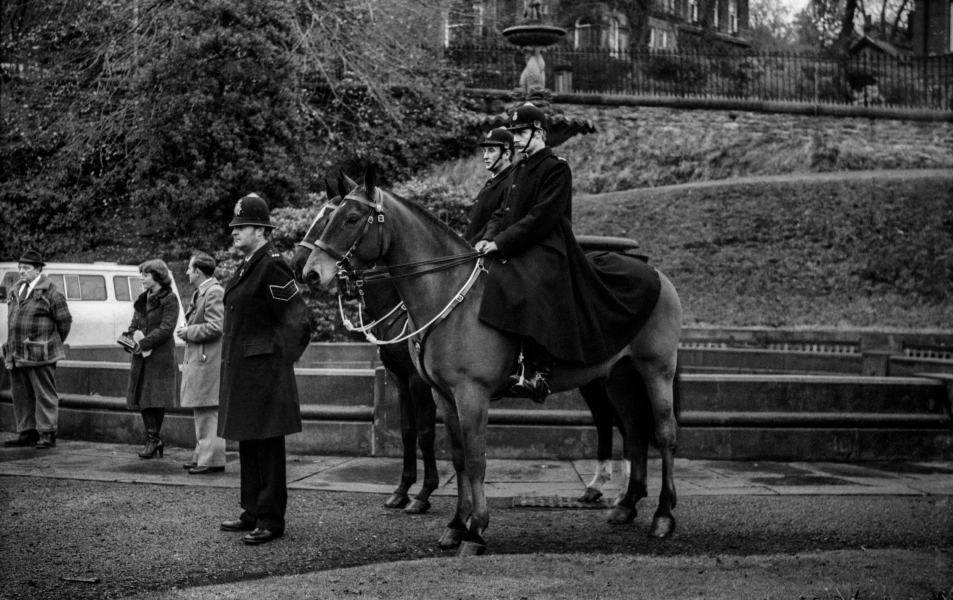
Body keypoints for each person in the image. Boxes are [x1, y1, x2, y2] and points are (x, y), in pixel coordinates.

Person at [476, 103, 660, 402]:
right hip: (518, 244)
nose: (517, 139)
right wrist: (486, 240)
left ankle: (539, 371)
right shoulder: (519, 169)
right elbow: (501, 212)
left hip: (548, 247)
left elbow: (542, 217)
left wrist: (502, 242)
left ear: (539, 132)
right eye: (515, 133)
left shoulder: (556, 167)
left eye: (521, 133)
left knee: (530, 284)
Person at [217, 193, 312, 546]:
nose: (234, 233)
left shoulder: (272, 265)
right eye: (234, 227)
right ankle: (252, 511)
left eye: (241, 227)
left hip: (266, 376)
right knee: (249, 443)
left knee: (268, 448)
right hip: (246, 375)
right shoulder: (248, 265)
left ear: (260, 230)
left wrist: (278, 362)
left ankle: (271, 519)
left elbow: (299, 321)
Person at [3, 250, 72, 449]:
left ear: (38, 269)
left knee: (44, 394)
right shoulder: (17, 289)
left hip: (41, 354)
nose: (21, 271)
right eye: (20, 268)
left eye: (26, 268)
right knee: (21, 394)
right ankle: (27, 432)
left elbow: (64, 321)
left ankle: (47, 433)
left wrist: (49, 343)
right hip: (17, 352)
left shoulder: (52, 292)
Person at [176, 251, 227, 475]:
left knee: (208, 411)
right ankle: (202, 456)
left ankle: (211, 460)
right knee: (202, 409)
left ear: (198, 271)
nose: (187, 272)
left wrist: (189, 331)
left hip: (207, 361)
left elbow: (217, 326)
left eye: (189, 269)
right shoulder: (206, 291)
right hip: (203, 359)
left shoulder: (213, 292)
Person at [124, 259, 180, 459]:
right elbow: (134, 324)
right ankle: (154, 439)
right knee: (143, 397)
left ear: (158, 276)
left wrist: (143, 343)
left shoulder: (169, 298)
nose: (142, 278)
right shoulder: (143, 298)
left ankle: (153, 440)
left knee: (155, 399)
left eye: (146, 275)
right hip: (142, 356)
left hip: (160, 356)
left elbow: (167, 329)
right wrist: (128, 338)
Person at [463, 128, 516, 246]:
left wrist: (469, 246)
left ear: (506, 154)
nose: (485, 156)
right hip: (470, 252)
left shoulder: (512, 182)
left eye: (491, 151)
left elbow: (499, 220)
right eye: (485, 151)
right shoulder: (494, 181)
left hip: (484, 253)